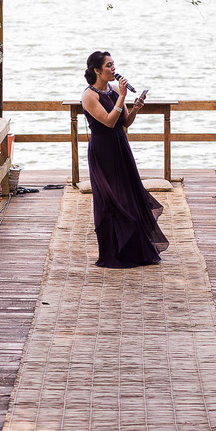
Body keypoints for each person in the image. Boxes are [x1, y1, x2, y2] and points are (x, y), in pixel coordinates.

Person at [81, 50, 169, 268]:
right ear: (97, 70)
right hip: (102, 151)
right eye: (109, 65)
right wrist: (122, 96)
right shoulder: (89, 95)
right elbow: (109, 122)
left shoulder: (112, 91)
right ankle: (113, 251)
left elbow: (124, 122)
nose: (113, 69)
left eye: (114, 65)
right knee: (110, 198)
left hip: (120, 146)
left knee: (129, 194)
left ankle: (134, 249)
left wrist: (136, 106)